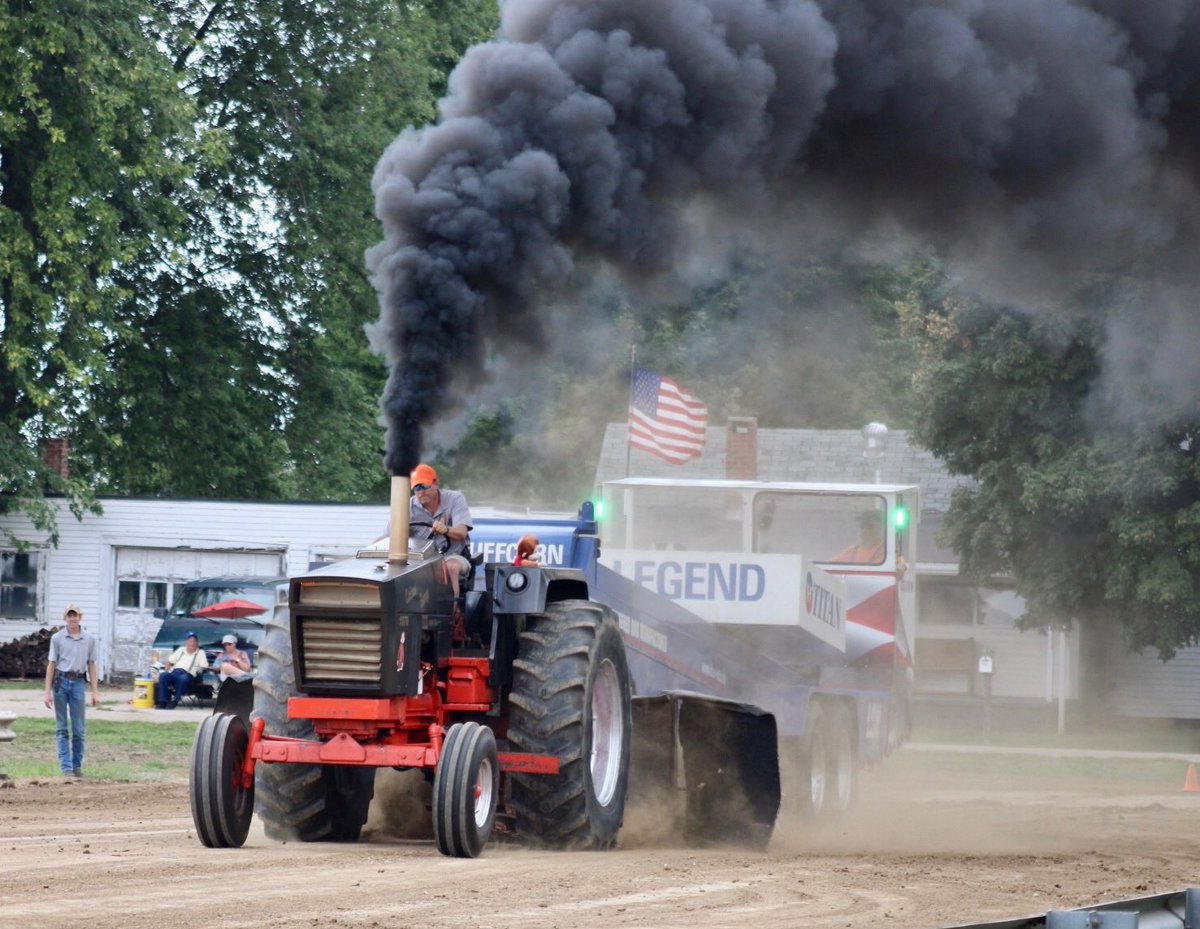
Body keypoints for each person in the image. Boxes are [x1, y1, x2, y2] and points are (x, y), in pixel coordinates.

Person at [43, 604, 99, 777]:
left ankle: (77, 766)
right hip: (61, 682)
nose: (72, 619)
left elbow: (92, 665)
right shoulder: (57, 638)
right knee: (61, 727)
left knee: (78, 728)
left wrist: (95, 691)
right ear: (65, 618)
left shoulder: (89, 639)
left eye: (75, 615)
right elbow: (52, 664)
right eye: (69, 615)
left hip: (78, 683)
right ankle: (66, 767)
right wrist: (47, 691)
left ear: (80, 617)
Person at [408, 463, 474, 600]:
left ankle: (451, 611)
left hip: (451, 555)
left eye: (425, 486)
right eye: (417, 488)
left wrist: (446, 529)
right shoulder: (407, 506)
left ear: (436, 483)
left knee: (449, 567)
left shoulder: (455, 499)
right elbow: (388, 537)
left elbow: (462, 532)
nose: (421, 491)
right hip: (419, 560)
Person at [156, 631, 209, 708]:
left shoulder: (200, 652)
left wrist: (199, 670)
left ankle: (175, 701)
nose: (192, 643)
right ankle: (162, 701)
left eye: (194, 641)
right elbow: (169, 661)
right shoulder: (181, 649)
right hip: (175, 673)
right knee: (163, 676)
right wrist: (167, 670)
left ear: (197, 643)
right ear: (186, 642)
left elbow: (204, 666)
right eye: (190, 641)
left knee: (183, 678)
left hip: (188, 675)